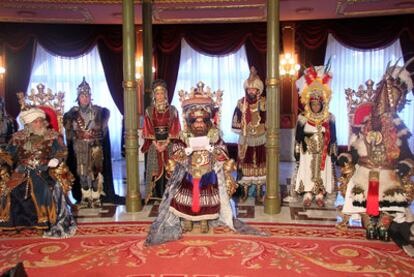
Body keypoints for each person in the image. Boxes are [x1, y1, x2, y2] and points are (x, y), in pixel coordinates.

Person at [146, 82, 266, 245]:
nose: (199, 124)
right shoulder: (184, 135)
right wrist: (185, 152)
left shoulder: (214, 135)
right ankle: (187, 219)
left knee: (206, 195)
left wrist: (213, 150)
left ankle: (204, 220)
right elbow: (176, 152)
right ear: (190, 121)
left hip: (208, 171)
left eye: (202, 121)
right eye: (195, 121)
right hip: (188, 172)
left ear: (208, 121)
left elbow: (223, 152)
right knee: (185, 195)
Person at [337, 61, 414, 242]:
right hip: (365, 170)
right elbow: (357, 148)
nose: (391, 101)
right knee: (360, 191)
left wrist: (405, 164)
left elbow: (407, 154)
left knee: (392, 194)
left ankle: (384, 223)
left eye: (395, 98)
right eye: (389, 97)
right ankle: (370, 222)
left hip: (388, 172)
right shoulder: (367, 122)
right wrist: (347, 156)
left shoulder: (398, 127)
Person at [0, 107, 76, 238]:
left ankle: (43, 223)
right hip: (22, 171)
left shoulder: (52, 136)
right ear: (28, 124)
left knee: (43, 190)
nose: (39, 124)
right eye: (35, 122)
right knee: (9, 190)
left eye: (41, 121)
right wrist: (3, 160)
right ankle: (13, 223)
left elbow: (62, 151)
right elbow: (8, 155)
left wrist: (56, 159)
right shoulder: (18, 138)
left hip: (44, 170)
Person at [63, 78, 124, 208]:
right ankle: (85, 197)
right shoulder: (71, 115)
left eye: (87, 96)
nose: (85, 98)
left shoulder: (100, 112)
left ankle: (96, 197)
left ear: (90, 97)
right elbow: (70, 134)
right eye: (82, 96)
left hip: (95, 147)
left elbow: (104, 133)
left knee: (96, 173)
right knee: (82, 174)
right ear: (78, 97)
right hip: (79, 148)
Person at [292, 65, 337, 207]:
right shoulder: (303, 118)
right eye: (314, 104)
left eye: (318, 104)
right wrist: (297, 151)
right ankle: (307, 194)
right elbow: (298, 138)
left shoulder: (329, 118)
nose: (316, 107)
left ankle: (320, 194)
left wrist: (333, 152)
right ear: (309, 104)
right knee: (307, 172)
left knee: (323, 173)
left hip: (324, 153)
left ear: (322, 104)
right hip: (307, 153)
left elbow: (334, 138)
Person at [141, 79, 181, 204]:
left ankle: (171, 195)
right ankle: (155, 196)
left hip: (169, 144)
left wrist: (166, 144)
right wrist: (157, 145)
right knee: (154, 169)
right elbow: (147, 129)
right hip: (154, 145)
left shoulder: (173, 110)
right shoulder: (148, 110)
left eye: (162, 93)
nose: (159, 96)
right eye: (157, 94)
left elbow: (175, 128)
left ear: (166, 94)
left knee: (170, 169)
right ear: (154, 95)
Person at [232, 66, 267, 203]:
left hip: (260, 137)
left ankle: (258, 193)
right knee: (245, 164)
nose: (251, 91)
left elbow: (268, 118)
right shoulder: (241, 103)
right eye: (249, 89)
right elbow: (236, 119)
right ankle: (245, 193)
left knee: (259, 165)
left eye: (254, 89)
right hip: (246, 138)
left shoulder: (263, 102)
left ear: (258, 90)